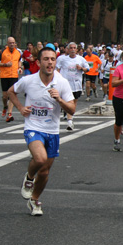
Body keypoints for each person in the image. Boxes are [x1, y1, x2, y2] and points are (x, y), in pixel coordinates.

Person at [7, 47, 75, 216]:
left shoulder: (62, 83)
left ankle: (34, 199)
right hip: (33, 127)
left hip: (52, 131)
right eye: (46, 59)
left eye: (52, 59)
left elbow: (72, 109)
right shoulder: (28, 80)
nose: (50, 62)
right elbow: (11, 91)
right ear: (38, 62)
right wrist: (21, 108)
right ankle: (29, 177)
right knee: (40, 158)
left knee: (44, 172)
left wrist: (59, 99)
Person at [55, 42, 89, 130]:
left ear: (77, 49)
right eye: (71, 48)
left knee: (73, 103)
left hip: (76, 85)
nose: (73, 50)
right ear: (68, 49)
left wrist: (81, 68)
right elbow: (57, 70)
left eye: (74, 48)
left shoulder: (81, 59)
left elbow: (88, 69)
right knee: (64, 102)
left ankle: (70, 120)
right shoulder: (62, 59)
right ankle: (69, 119)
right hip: (65, 85)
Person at [0, 37, 23, 122]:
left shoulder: (18, 52)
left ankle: (9, 114)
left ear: (15, 43)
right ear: (7, 43)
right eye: (10, 43)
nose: (12, 44)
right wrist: (4, 64)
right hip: (4, 75)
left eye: (13, 43)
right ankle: (5, 106)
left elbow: (19, 60)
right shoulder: (2, 52)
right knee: (5, 96)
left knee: (12, 94)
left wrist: (20, 67)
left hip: (14, 75)